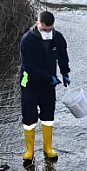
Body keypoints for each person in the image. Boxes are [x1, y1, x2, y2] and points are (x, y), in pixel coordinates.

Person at [19, 10, 70, 163]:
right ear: (37, 24)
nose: (47, 32)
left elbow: (62, 56)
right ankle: (30, 150)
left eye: (50, 29)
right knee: (29, 117)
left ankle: (48, 148)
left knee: (48, 116)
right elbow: (28, 66)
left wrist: (65, 72)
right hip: (29, 84)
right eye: (44, 29)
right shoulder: (27, 40)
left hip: (49, 86)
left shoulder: (57, 38)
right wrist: (49, 78)